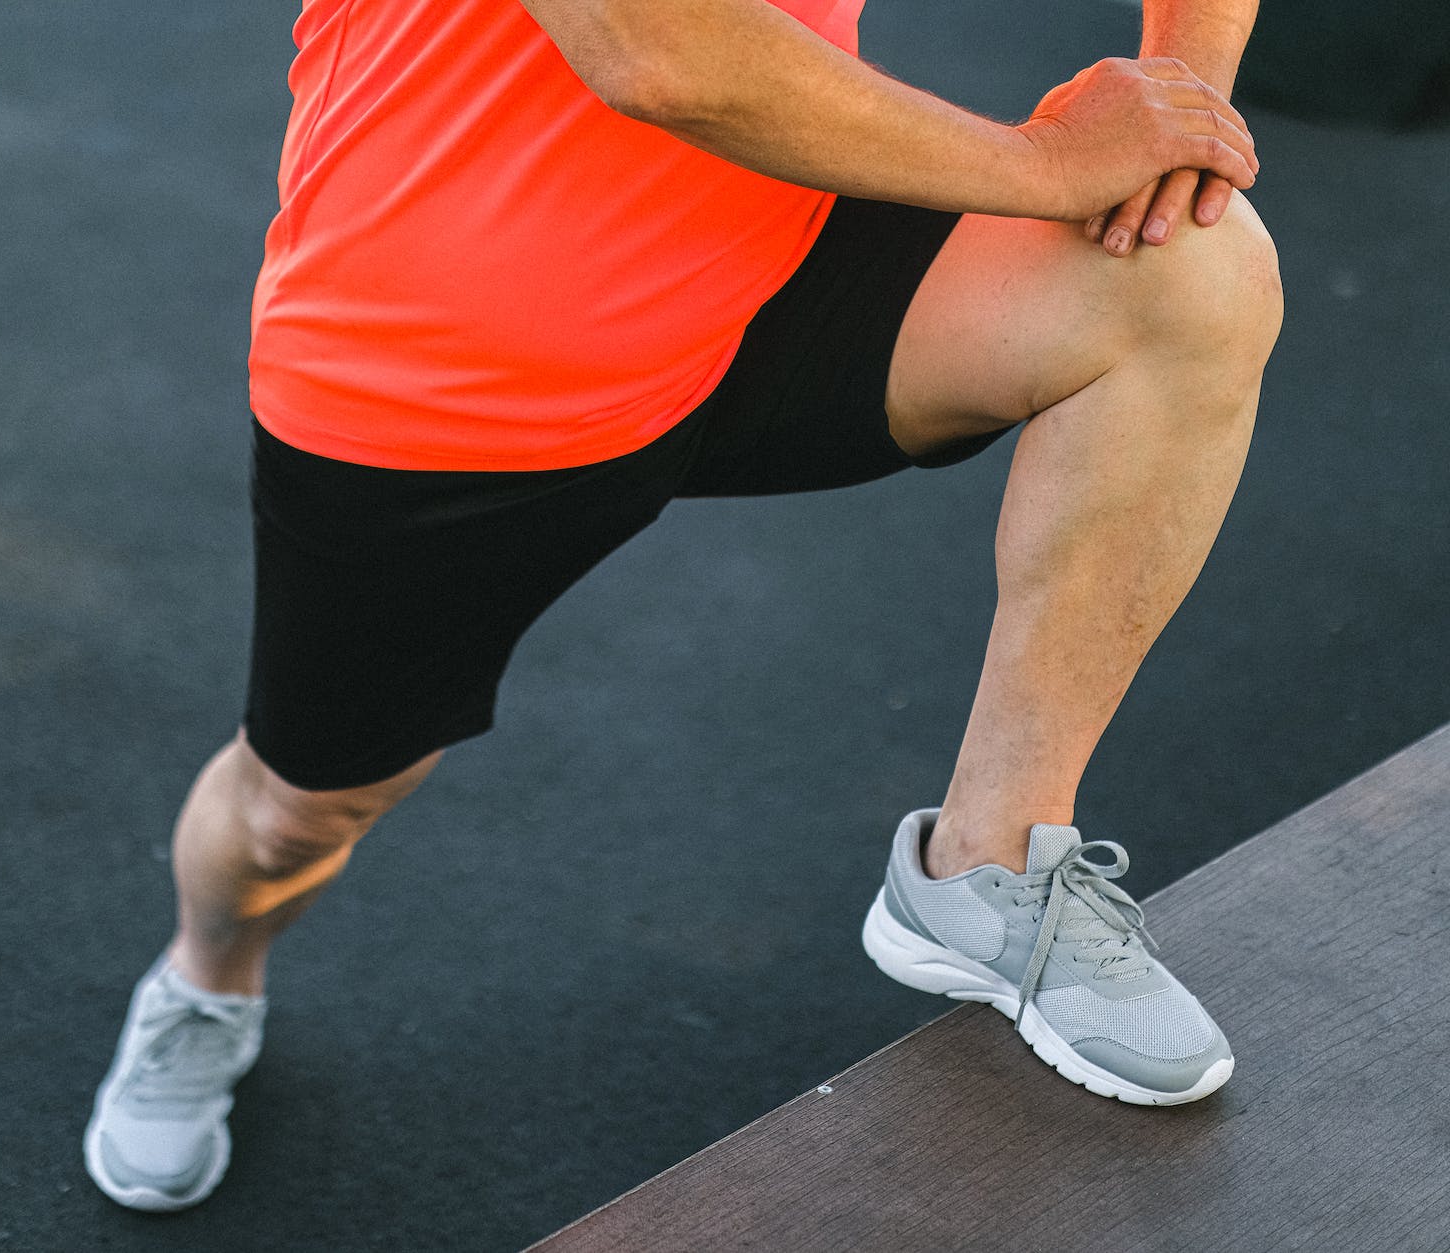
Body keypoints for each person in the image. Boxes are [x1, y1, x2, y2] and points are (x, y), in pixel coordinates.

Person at [83, 0, 1282, 1211]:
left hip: (763, 252)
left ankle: (990, 861)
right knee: (302, 808)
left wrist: (1172, 112)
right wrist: (1050, 164)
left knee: (1191, 274)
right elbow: (655, 50)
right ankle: (208, 974)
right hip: (447, 374)